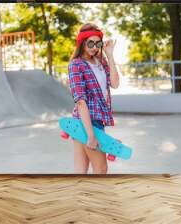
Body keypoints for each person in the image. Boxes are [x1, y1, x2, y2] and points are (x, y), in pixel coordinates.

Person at [68, 23, 120, 174]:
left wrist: (109, 55)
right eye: (90, 43)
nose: (94, 47)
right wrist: (91, 134)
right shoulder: (76, 65)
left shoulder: (100, 61)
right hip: (87, 122)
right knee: (101, 169)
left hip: (89, 121)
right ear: (82, 43)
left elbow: (115, 83)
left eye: (98, 43)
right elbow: (81, 101)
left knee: (80, 170)